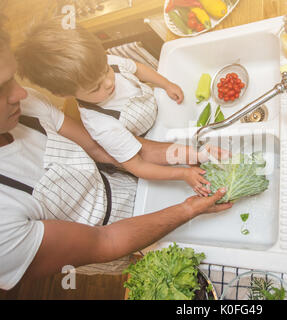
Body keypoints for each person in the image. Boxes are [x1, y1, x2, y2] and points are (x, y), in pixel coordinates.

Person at [0, 18, 233, 291]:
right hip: (111, 234)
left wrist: (190, 154)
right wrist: (186, 208)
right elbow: (105, 241)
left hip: (124, 183)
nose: (21, 93)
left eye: (11, 79)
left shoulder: (25, 105)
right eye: (0, 88)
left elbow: (106, 151)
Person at [15, 19, 224, 197]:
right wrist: (183, 174)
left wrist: (165, 84)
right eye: (96, 87)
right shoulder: (102, 125)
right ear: (64, 94)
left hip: (162, 107)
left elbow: (137, 69)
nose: (108, 82)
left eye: (106, 70)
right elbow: (139, 166)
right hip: (153, 139)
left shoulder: (105, 62)